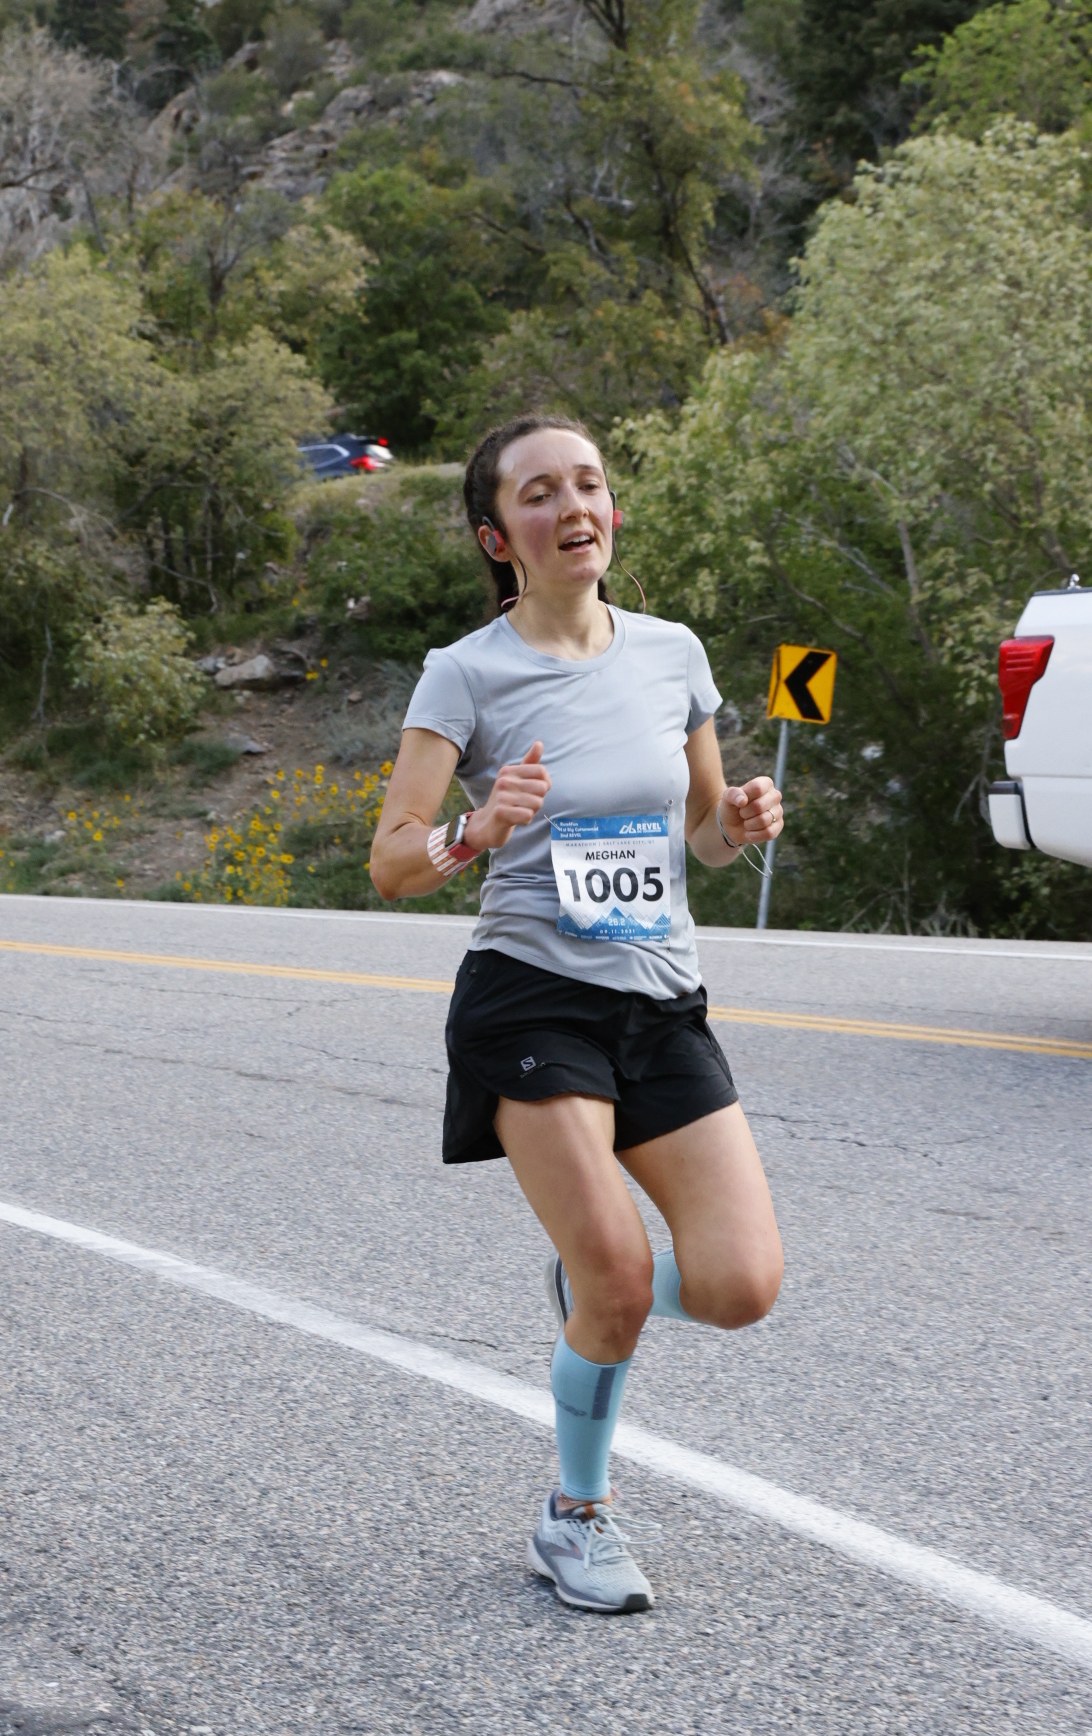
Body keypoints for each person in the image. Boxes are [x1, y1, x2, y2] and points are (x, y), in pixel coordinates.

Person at [370, 412, 784, 1615]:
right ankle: (575, 1515)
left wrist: (736, 824)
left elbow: (699, 835)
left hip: (659, 1001)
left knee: (739, 1286)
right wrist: (476, 830)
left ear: (611, 508)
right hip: (531, 1002)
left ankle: (599, 1285)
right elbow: (392, 862)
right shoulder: (466, 673)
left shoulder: (671, 653)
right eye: (540, 493)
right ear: (498, 537)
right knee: (618, 1276)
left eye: (588, 484)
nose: (573, 508)